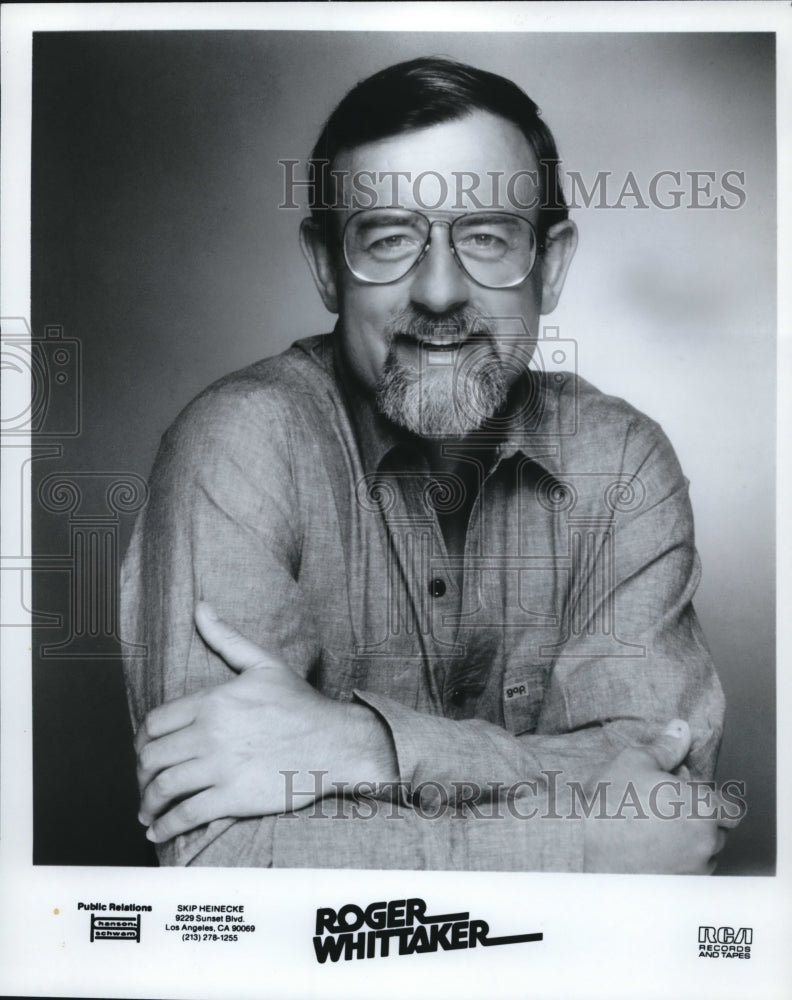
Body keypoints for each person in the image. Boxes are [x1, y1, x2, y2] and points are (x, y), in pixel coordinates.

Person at [121, 56, 738, 872]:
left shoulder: (621, 461)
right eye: (387, 238)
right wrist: (577, 841)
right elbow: (224, 863)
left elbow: (666, 797)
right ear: (324, 265)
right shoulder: (238, 446)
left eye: (486, 236)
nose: (440, 291)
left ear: (549, 266)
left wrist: (369, 747)